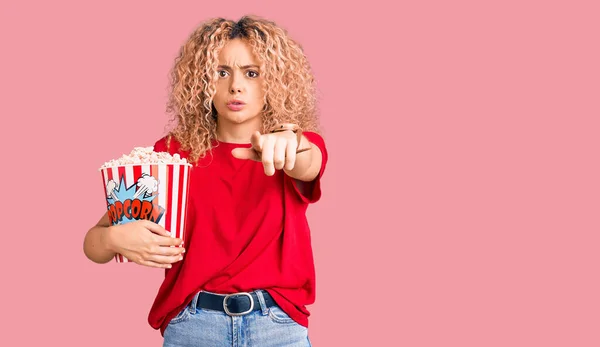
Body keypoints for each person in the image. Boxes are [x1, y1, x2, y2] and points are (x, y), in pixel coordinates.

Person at [83, 15, 328, 347]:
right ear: (202, 81)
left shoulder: (295, 143)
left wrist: (289, 144)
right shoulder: (169, 155)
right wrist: (114, 239)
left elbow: (307, 163)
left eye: (252, 73)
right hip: (193, 327)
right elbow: (93, 243)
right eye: (221, 72)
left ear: (276, 81)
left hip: (278, 327)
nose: (235, 86)